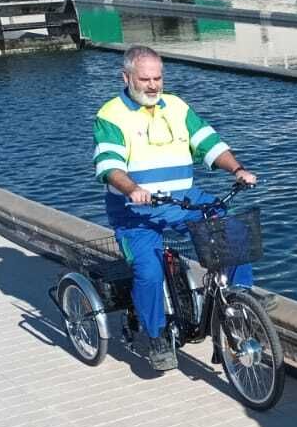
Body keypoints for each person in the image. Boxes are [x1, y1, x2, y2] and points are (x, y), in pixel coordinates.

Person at [93, 45, 258, 371]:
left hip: (182, 199)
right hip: (134, 210)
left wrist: (237, 169)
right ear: (126, 77)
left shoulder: (178, 107)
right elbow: (109, 165)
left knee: (232, 231)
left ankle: (239, 303)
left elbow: (209, 143)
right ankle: (154, 336)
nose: (153, 85)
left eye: (158, 78)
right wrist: (134, 189)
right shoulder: (110, 115)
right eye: (145, 79)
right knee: (149, 272)